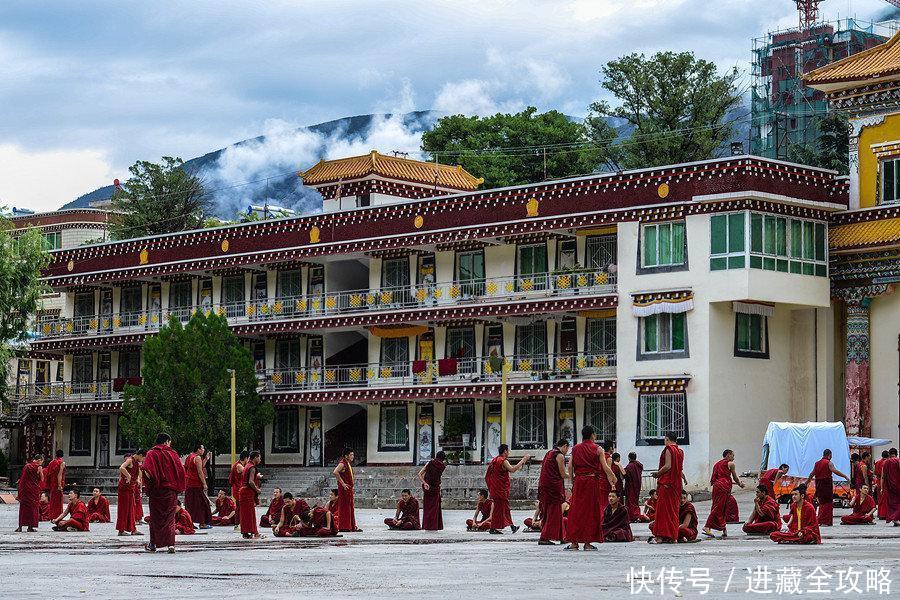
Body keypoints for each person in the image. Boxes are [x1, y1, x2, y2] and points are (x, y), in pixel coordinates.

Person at [566, 425, 615, 550]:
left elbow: (570, 466)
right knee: (590, 512)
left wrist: (572, 482)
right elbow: (605, 467)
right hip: (592, 482)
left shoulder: (575, 448)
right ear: (593, 435)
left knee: (576, 511)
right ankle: (587, 543)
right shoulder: (598, 449)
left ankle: (574, 543)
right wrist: (613, 476)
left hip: (579, 482)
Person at [141, 433, 186, 553]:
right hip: (170, 491)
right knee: (170, 518)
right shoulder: (173, 453)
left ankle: (153, 544)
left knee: (155, 518)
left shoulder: (151, 453)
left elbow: (146, 471)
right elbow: (181, 471)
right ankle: (171, 545)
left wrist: (152, 483)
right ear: (166, 442)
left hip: (157, 491)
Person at [485, 444, 530, 534]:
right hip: (500, 490)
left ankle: (496, 527)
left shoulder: (494, 460)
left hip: (495, 488)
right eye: (508, 451)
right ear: (505, 451)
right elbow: (512, 470)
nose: (508, 453)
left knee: (500, 509)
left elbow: (489, 475)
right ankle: (509, 527)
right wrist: (523, 460)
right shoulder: (503, 461)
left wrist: (522, 463)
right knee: (504, 508)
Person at [650, 431, 684, 544]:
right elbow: (679, 469)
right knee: (673, 511)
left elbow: (668, 465)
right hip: (676, 485)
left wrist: (658, 473)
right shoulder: (680, 451)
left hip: (667, 484)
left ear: (667, 439)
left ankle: (659, 537)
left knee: (662, 511)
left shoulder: (669, 449)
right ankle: (673, 537)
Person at [703, 449, 744, 539]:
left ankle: (724, 529)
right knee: (718, 507)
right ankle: (707, 526)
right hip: (723, 487)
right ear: (728, 455)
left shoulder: (717, 464)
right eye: (732, 455)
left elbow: (715, 477)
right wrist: (740, 484)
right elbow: (735, 477)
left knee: (722, 507)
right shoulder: (731, 464)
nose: (733, 457)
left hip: (717, 486)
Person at [537, 439, 569, 545]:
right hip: (553, 488)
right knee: (553, 513)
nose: (567, 451)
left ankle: (561, 536)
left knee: (551, 513)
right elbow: (563, 474)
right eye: (567, 448)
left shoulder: (549, 453)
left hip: (544, 487)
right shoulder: (559, 456)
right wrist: (575, 476)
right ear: (564, 446)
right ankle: (544, 537)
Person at [805, 449, 848, 527]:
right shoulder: (829, 463)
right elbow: (835, 471)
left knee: (821, 503)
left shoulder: (817, 463)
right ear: (830, 455)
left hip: (818, 484)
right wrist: (845, 476)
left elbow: (812, 474)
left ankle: (820, 520)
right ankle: (825, 521)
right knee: (828, 503)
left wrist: (806, 482)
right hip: (826, 485)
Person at [183, 443, 212, 529]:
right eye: (202, 449)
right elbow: (200, 471)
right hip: (196, 484)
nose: (203, 451)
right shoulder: (198, 457)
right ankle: (202, 523)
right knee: (203, 503)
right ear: (198, 449)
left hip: (189, 483)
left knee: (190, 504)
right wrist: (204, 483)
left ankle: (189, 523)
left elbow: (198, 467)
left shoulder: (190, 456)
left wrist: (206, 459)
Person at [116, 450, 144, 537]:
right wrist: (128, 476)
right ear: (140, 455)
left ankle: (133, 529)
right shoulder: (130, 460)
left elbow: (137, 474)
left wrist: (138, 480)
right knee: (123, 509)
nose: (143, 460)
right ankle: (121, 530)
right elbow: (121, 468)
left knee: (131, 509)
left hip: (130, 488)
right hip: (124, 488)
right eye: (143, 458)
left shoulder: (136, 463)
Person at [333, 448, 360, 532]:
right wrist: (343, 483)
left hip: (348, 488)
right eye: (351, 455)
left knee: (350, 506)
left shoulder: (347, 463)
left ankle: (351, 526)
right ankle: (344, 526)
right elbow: (335, 472)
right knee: (345, 507)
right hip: (344, 488)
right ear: (346, 456)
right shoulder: (342, 463)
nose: (353, 456)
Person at [418, 451, 446, 531]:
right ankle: (434, 526)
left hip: (427, 488)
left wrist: (425, 483)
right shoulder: (442, 466)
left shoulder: (429, 463)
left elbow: (419, 474)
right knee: (435, 508)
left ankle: (427, 525)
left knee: (427, 507)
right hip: (435, 488)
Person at [15, 454, 43, 532]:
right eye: (41, 461)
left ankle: (20, 527)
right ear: (39, 460)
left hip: (24, 490)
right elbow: (42, 478)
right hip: (33, 490)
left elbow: (22, 478)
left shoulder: (26, 466)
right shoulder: (38, 467)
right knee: (32, 508)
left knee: (23, 508)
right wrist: (40, 470)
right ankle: (30, 527)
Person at [239, 451, 264, 539]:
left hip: (243, 491)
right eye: (259, 458)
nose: (260, 460)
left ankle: (245, 532)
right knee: (250, 514)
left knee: (245, 514)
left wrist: (256, 477)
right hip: (247, 492)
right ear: (255, 458)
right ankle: (255, 532)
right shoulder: (252, 467)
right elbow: (250, 481)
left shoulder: (247, 466)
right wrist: (257, 490)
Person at [44, 449, 66, 521]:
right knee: (58, 502)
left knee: (53, 501)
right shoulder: (61, 463)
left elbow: (48, 475)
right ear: (62, 455)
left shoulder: (51, 462)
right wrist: (59, 485)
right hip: (57, 484)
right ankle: (57, 517)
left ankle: (52, 516)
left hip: (52, 484)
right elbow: (59, 475)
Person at [229, 451, 249, 528]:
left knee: (240, 507)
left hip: (238, 489)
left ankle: (239, 523)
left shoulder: (239, 464)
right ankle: (238, 523)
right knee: (240, 507)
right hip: (238, 490)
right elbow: (247, 473)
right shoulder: (239, 466)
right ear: (246, 458)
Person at [881, 448, 900, 525]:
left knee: (892, 503)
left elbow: (883, 476)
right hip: (898, 485)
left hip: (889, 486)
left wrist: (882, 487)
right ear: (896, 453)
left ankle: (895, 518)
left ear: (889, 454)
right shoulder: (898, 460)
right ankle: (895, 518)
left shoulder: (885, 462)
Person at [624, 452, 644, 522]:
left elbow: (625, 475)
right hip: (637, 485)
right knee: (635, 501)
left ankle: (633, 516)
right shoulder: (639, 465)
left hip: (631, 486)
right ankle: (637, 515)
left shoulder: (629, 466)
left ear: (629, 458)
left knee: (630, 501)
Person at [874, 450, 889, 520]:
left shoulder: (877, 462)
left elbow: (874, 472)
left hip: (878, 481)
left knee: (879, 499)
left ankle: (880, 514)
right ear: (888, 455)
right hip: (885, 481)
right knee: (885, 499)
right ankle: (884, 514)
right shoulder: (887, 462)